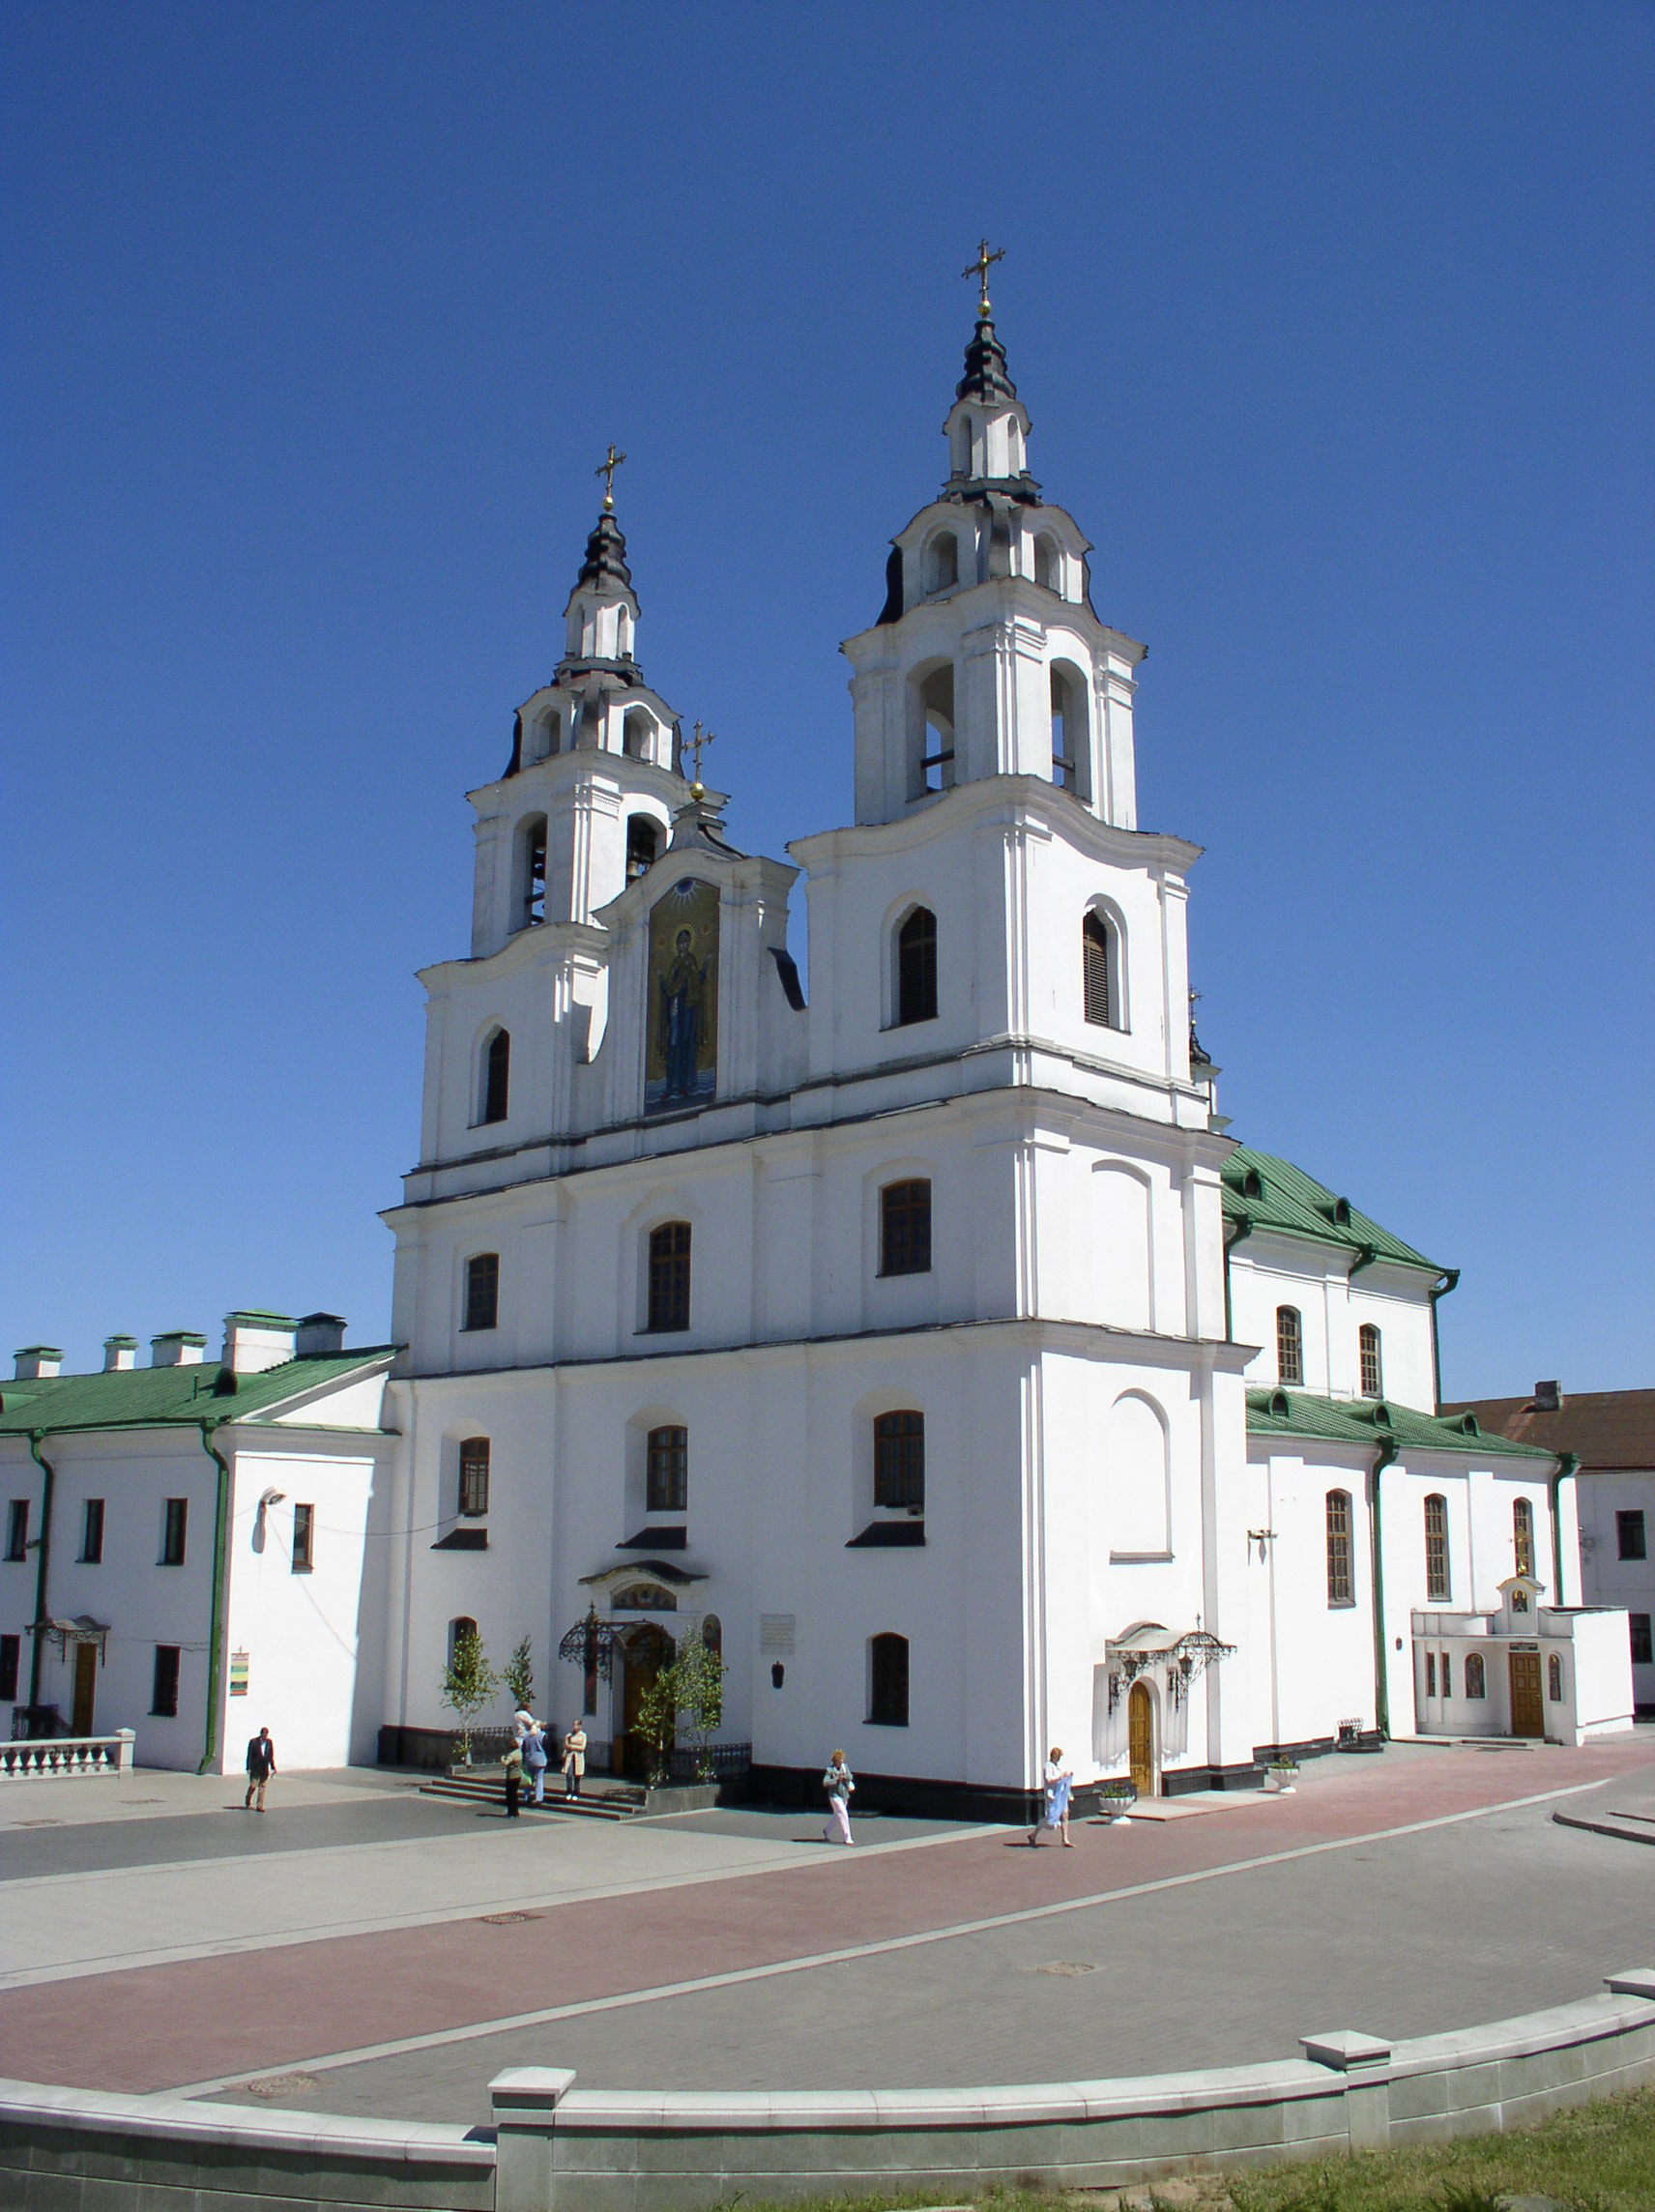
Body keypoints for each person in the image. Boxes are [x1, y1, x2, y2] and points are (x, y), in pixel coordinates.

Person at [1030, 1746, 1074, 1847]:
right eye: (1058, 1756)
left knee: (1065, 1814)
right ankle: (1033, 1834)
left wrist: (1067, 1775)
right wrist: (1061, 1776)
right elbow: (1049, 1779)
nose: (1059, 1759)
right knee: (1050, 1819)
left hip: (1061, 1794)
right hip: (1052, 1795)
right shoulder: (1048, 1765)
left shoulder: (1058, 1766)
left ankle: (1065, 1839)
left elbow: (1062, 1777)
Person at [823, 1749, 855, 1846]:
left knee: (838, 1815)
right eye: (839, 1760)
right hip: (834, 1795)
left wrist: (845, 1776)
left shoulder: (845, 1767)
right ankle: (847, 1836)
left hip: (844, 1794)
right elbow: (825, 1782)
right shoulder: (830, 1770)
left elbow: (850, 1777)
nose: (841, 1762)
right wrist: (836, 1779)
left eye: (842, 1760)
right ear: (834, 1760)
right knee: (843, 1813)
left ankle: (827, 1830)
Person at [244, 1727, 276, 1812]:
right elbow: (249, 1755)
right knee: (253, 1786)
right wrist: (248, 1767)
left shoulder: (269, 1742)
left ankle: (259, 1806)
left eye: (266, 1734)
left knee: (262, 1787)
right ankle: (248, 1798)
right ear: (261, 1734)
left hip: (264, 1768)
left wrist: (273, 1767)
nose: (265, 1736)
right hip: (255, 1768)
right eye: (264, 1734)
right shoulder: (253, 1742)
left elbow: (271, 1756)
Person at [522, 1717, 549, 1805]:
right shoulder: (542, 1735)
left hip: (529, 1758)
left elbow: (523, 1748)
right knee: (539, 1779)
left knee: (529, 1779)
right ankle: (538, 1798)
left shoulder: (526, 1735)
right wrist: (550, 1757)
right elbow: (546, 1747)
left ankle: (526, 1796)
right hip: (540, 1759)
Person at [561, 1720, 587, 1799]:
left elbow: (583, 1747)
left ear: (579, 1726)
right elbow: (566, 1745)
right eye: (573, 1725)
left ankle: (576, 1792)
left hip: (578, 1757)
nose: (574, 1727)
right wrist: (566, 1740)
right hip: (570, 1757)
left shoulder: (583, 1735)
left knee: (577, 1775)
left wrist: (573, 1747)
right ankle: (569, 1791)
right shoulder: (569, 1735)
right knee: (569, 1774)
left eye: (576, 1725)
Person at [502, 1738, 523, 1819]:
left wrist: (502, 1758)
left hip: (511, 1776)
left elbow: (505, 1763)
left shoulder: (512, 1754)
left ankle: (511, 1812)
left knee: (510, 1795)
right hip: (518, 1775)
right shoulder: (519, 1752)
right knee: (514, 1795)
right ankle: (516, 1812)